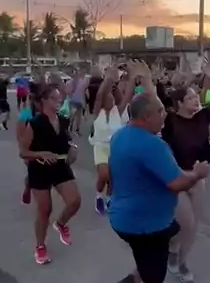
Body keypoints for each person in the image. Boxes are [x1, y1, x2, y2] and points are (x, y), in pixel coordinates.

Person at [109, 93, 210, 283]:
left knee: (172, 234)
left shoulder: (122, 135)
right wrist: (197, 174)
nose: (164, 116)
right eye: (160, 112)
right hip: (144, 224)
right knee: (154, 279)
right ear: (146, 116)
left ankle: (132, 282)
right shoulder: (152, 145)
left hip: (127, 215)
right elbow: (177, 183)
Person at [162, 64, 210, 283]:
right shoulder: (170, 121)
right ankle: (172, 249)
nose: (195, 100)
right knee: (186, 222)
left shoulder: (203, 116)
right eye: (190, 98)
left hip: (198, 179)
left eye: (195, 96)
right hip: (177, 177)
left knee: (193, 227)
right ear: (180, 103)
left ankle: (181, 262)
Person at [18, 85, 81, 265]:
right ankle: (40, 246)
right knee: (45, 210)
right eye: (55, 98)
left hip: (60, 166)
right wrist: (41, 154)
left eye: (60, 98)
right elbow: (23, 152)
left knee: (75, 201)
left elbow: (68, 141)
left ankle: (60, 224)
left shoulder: (63, 120)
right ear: (45, 100)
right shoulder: (35, 123)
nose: (59, 101)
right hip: (40, 168)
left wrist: (73, 149)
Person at [89, 64, 140, 214]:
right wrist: (108, 79)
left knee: (113, 177)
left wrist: (131, 77)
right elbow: (100, 95)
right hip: (100, 147)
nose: (110, 98)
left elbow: (127, 95)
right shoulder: (97, 112)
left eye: (112, 97)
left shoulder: (118, 112)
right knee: (104, 174)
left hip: (116, 147)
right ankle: (99, 196)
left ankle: (110, 198)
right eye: (108, 97)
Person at [68, 68, 88, 134]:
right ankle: (75, 128)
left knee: (74, 115)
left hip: (75, 100)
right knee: (76, 116)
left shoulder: (71, 82)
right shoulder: (81, 82)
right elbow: (84, 92)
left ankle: (73, 127)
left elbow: (69, 92)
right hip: (77, 100)